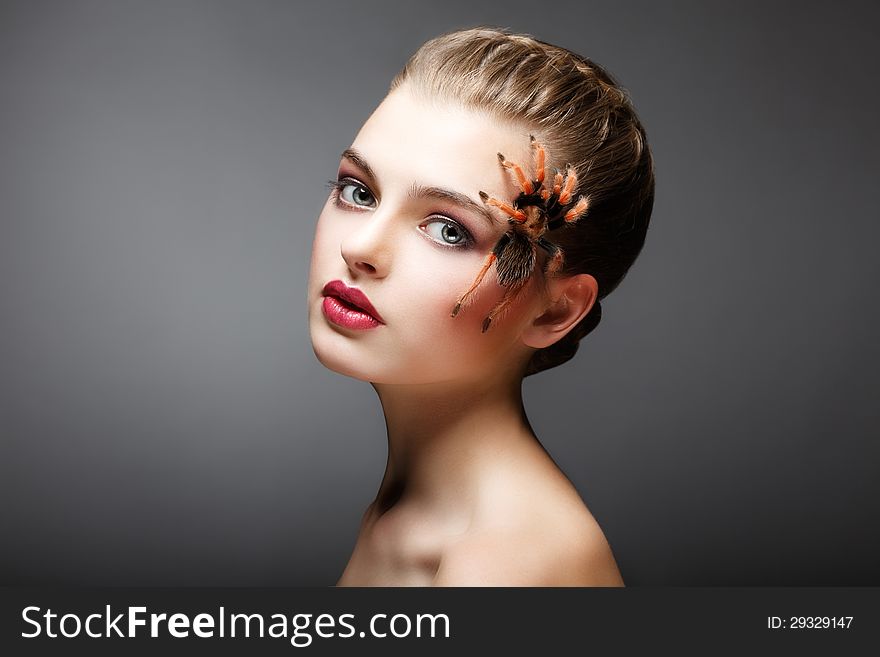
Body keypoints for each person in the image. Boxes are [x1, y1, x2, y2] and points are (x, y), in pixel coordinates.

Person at [308, 27, 654, 586]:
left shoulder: (507, 565)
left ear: (555, 312)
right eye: (358, 191)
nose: (361, 247)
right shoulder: (411, 517)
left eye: (448, 229)